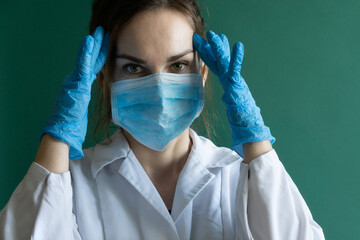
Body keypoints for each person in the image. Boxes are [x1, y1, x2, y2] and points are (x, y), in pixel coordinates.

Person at [0, 0, 325, 239]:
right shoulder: (71, 185)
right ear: (104, 78)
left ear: (203, 72)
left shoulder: (238, 178)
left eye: (178, 66)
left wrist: (256, 138)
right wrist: (57, 136)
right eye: (134, 67)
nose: (159, 87)